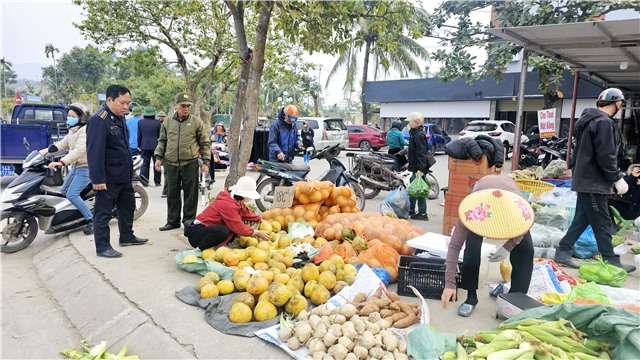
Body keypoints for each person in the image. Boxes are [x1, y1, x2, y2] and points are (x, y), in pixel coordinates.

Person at [553, 88, 636, 273]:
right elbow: (605, 155)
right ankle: (611, 260)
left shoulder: (590, 121)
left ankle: (563, 251)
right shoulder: (603, 123)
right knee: (602, 222)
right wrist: (616, 178)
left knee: (582, 220)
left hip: (587, 180)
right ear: (618, 103)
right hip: (593, 183)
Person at [441, 174, 535, 317]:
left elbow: (526, 226)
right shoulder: (472, 212)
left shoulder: (518, 210)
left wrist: (508, 247)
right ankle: (471, 297)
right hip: (483, 192)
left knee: (526, 250)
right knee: (471, 249)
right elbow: (454, 247)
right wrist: (449, 284)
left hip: (509, 196)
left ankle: (515, 298)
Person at [86, 85, 148, 258]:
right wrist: (97, 179)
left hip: (124, 174)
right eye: (122, 103)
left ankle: (127, 236)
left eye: (128, 103)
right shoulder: (99, 120)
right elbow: (94, 152)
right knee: (103, 213)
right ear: (109, 100)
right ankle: (103, 246)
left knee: (127, 207)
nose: (126, 107)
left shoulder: (120, 117)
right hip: (108, 177)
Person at [155, 92, 211, 231]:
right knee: (172, 194)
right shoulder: (167, 121)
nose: (186, 109)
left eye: (188, 106)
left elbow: (204, 143)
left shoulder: (196, 122)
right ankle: (173, 221)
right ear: (176, 106)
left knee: (190, 195)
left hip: (190, 163)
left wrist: (206, 162)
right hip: (171, 163)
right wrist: (158, 157)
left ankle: (188, 221)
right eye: (183, 106)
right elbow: (162, 140)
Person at [40, 102, 94, 235]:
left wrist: (62, 162)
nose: (69, 118)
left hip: (85, 167)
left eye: (73, 115)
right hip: (76, 167)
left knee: (72, 194)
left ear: (82, 117)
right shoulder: (72, 131)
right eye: (68, 115)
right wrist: (39, 154)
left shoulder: (85, 131)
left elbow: (80, 151)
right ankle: (80, 210)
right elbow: (60, 146)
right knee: (63, 191)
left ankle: (91, 219)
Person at [184, 176, 271, 250]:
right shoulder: (228, 204)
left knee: (226, 231)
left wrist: (260, 219)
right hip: (197, 233)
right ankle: (200, 249)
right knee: (223, 231)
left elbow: (245, 212)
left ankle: (213, 247)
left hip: (207, 230)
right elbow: (238, 228)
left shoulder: (236, 200)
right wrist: (258, 232)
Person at [406, 112, 429, 221]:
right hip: (415, 167)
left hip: (419, 168)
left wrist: (421, 169)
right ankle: (411, 209)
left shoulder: (419, 135)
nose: (408, 123)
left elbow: (421, 153)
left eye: (410, 121)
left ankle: (422, 213)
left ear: (416, 122)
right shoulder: (415, 134)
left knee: (419, 190)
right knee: (413, 189)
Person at [138, 106, 162, 187]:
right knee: (157, 163)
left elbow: (139, 135)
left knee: (144, 164)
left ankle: (145, 182)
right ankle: (157, 182)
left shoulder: (140, 122)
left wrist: (139, 145)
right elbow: (160, 136)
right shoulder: (157, 123)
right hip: (155, 145)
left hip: (144, 145)